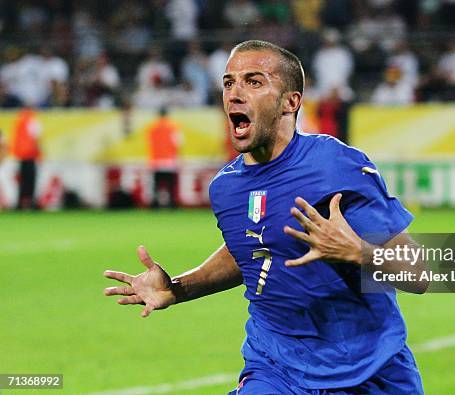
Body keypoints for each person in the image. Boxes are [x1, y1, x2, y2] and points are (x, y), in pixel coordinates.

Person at [104, 40, 428, 394]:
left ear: (291, 102)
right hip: (276, 368)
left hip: (370, 368)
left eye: (253, 82)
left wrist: (359, 252)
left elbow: (419, 274)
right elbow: (254, 247)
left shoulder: (335, 165)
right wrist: (178, 289)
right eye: (229, 83)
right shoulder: (226, 188)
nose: (235, 94)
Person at [147, 107, 182, 208]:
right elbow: (178, 143)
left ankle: (155, 203)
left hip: (156, 160)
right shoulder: (173, 127)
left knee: (157, 184)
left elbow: (150, 143)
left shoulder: (152, 128)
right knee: (170, 184)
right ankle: (172, 203)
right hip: (169, 160)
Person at [11, 107, 42, 209]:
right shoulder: (33, 123)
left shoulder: (19, 122)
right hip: (30, 155)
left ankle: (20, 202)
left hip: (21, 156)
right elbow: (36, 139)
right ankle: (29, 202)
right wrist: (39, 154)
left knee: (22, 180)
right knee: (30, 180)